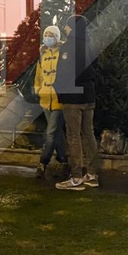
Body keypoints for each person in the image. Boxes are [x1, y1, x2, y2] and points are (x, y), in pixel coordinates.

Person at [54, 14, 99, 191]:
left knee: (74, 136)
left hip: (73, 97)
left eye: (67, 26)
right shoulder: (90, 45)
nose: (65, 29)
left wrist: (60, 91)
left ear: (72, 28)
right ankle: (92, 174)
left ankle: (76, 177)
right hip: (89, 96)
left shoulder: (68, 47)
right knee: (89, 134)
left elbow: (64, 73)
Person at [34, 25, 68, 179]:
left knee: (50, 132)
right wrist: (38, 89)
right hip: (45, 98)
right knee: (57, 132)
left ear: (56, 37)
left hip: (58, 99)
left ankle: (43, 162)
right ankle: (64, 161)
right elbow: (38, 75)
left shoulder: (63, 53)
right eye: (46, 35)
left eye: (50, 35)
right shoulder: (43, 54)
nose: (47, 38)